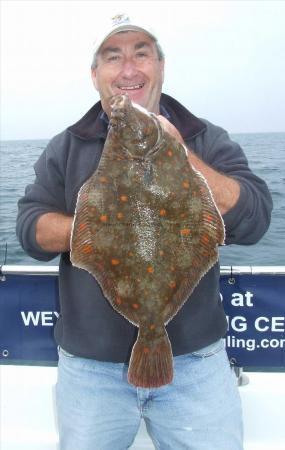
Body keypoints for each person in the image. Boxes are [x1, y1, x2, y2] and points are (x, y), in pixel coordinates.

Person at [16, 13, 272, 450]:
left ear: (161, 66)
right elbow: (29, 230)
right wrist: (97, 227)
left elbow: (255, 219)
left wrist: (182, 155)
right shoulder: (66, 145)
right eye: (113, 57)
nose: (129, 69)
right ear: (96, 74)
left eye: (141, 54)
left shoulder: (204, 138)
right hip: (89, 372)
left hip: (198, 364)